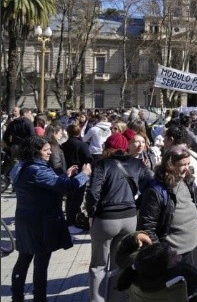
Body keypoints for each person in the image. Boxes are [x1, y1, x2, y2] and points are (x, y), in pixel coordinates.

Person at [11, 136, 92, 302]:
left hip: (26, 218)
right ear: (35, 151)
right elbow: (66, 187)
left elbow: (52, 185)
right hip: (39, 221)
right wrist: (84, 175)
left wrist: (66, 175)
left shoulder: (23, 166)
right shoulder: (37, 170)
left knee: (24, 258)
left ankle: (17, 295)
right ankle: (39, 297)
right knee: (40, 261)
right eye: (46, 150)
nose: (50, 153)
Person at [85, 132, 154, 302]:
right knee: (120, 263)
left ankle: (97, 300)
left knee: (98, 265)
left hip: (105, 219)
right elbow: (150, 186)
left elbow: (93, 193)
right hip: (129, 218)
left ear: (107, 147)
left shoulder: (102, 164)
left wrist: (91, 213)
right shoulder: (138, 164)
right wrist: (136, 205)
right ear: (125, 147)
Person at [137, 145, 197, 268]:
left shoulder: (188, 181)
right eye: (182, 165)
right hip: (173, 256)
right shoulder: (156, 190)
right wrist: (162, 253)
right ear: (170, 166)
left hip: (195, 247)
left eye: (188, 163)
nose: (187, 168)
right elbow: (147, 227)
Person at [115, 233, 197, 302]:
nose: (176, 252)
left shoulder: (138, 269)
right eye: (172, 255)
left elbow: (121, 255)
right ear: (166, 265)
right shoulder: (182, 275)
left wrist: (135, 237)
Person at [62, 123, 94, 232]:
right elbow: (88, 158)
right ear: (79, 132)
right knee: (77, 199)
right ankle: (72, 221)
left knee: (69, 198)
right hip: (80, 173)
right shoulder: (82, 145)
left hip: (68, 172)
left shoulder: (64, 145)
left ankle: (70, 220)